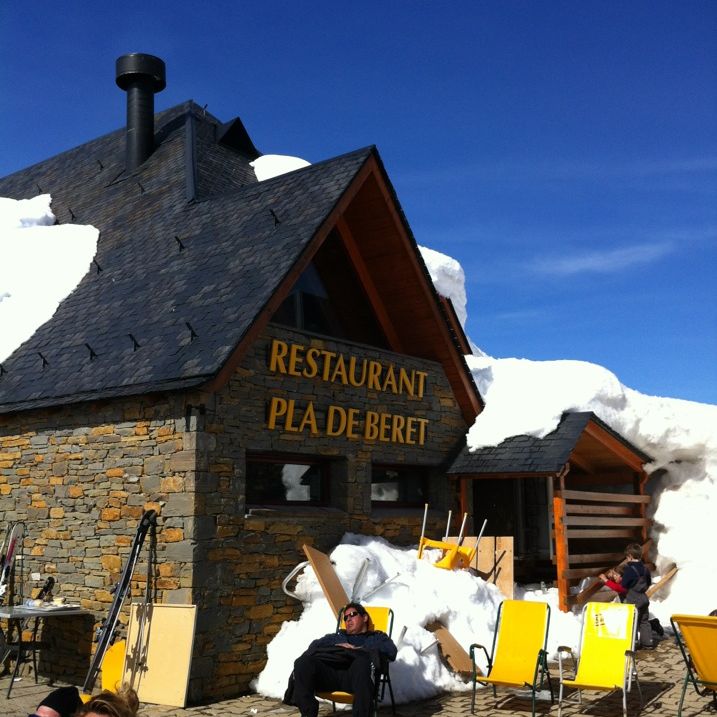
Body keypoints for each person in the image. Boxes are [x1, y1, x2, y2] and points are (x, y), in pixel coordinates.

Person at [285, 602, 397, 717]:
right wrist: (337, 645)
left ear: (364, 618)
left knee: (362, 662)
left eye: (353, 614)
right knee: (302, 662)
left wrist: (360, 649)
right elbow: (312, 648)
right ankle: (308, 714)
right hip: (329, 675)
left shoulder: (376, 637)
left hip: (357, 677)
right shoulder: (336, 637)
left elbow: (391, 651)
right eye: (345, 617)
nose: (348, 619)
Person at [621, 543, 653, 648]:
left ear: (630, 556)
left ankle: (633, 643)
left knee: (632, 621)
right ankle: (648, 642)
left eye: (627, 557)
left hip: (633, 599)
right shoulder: (645, 569)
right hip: (644, 598)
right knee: (644, 620)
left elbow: (624, 585)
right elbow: (648, 582)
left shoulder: (629, 570)